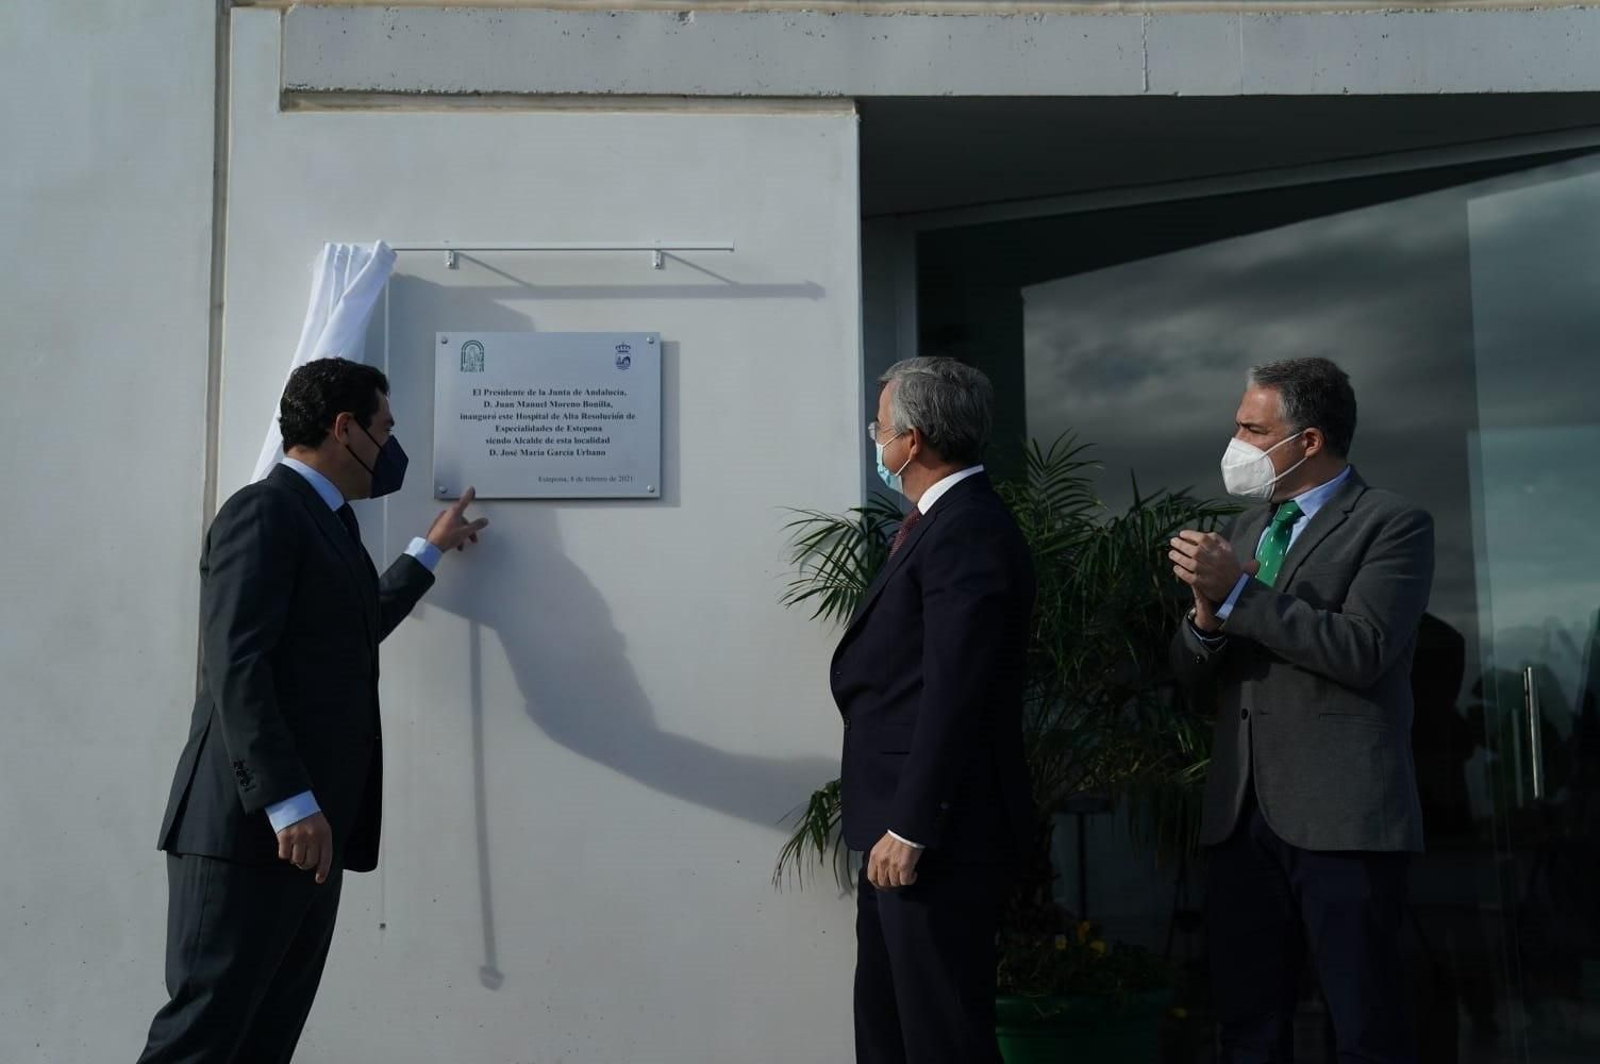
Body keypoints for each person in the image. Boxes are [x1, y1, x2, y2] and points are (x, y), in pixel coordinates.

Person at [138, 357, 489, 1062]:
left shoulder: (326, 525)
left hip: (307, 836)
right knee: (203, 1041)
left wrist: (429, 550)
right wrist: (288, 801)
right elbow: (237, 662)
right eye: (385, 428)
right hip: (253, 830)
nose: (391, 447)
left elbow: (355, 625)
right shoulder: (262, 511)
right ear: (344, 428)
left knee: (263, 1040)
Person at [1168, 357, 1434, 1063]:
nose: (1237, 443)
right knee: (1249, 1026)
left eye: (1253, 430)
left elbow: (1364, 649)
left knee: (1366, 1025)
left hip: (1342, 817)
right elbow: (1194, 683)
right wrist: (1205, 617)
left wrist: (1240, 597)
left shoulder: (1392, 523)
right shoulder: (1247, 526)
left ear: (1308, 440)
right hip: (1242, 814)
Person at [831, 357, 1035, 1064]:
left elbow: (958, 687)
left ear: (911, 440)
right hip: (904, 827)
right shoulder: (937, 522)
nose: (875, 439)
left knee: (940, 1035)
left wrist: (913, 824)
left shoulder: (967, 528)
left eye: (878, 427)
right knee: (890, 1028)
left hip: (935, 836)